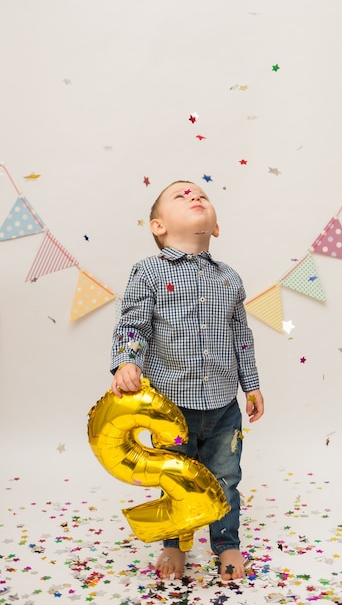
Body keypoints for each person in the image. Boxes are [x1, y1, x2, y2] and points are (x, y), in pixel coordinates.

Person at [110, 180, 264, 581]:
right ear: (158, 226)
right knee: (178, 479)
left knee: (226, 478)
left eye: (202, 195)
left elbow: (241, 336)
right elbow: (133, 324)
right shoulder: (147, 271)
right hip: (172, 408)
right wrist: (127, 363)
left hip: (224, 406)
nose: (195, 197)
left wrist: (252, 384)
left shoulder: (230, 278)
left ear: (216, 226)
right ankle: (175, 544)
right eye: (182, 195)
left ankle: (227, 543)